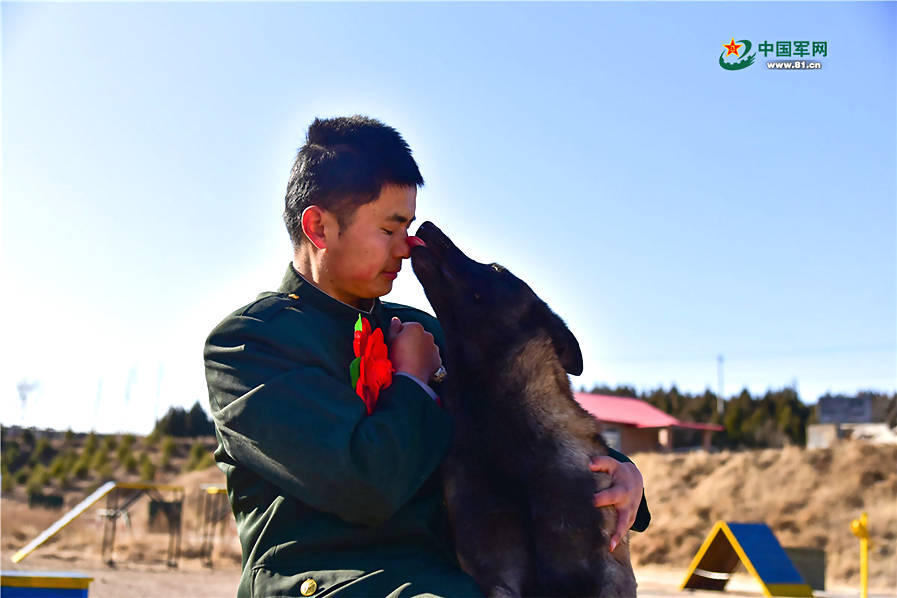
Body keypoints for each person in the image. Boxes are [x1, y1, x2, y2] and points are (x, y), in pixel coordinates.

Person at [203, 115, 649, 598]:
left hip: (455, 575)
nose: (407, 247)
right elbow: (364, 488)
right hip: (328, 580)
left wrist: (620, 472)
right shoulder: (250, 344)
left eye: (409, 227)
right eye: (389, 229)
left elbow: (520, 427)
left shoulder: (429, 330)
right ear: (320, 227)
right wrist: (412, 382)